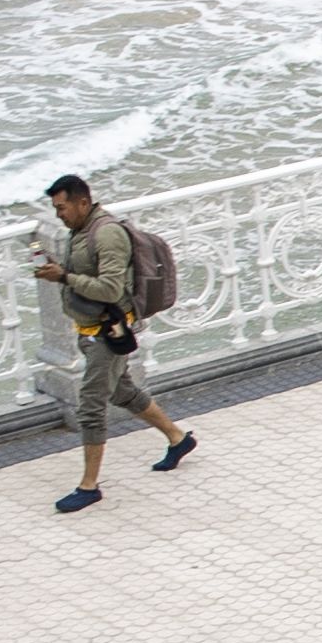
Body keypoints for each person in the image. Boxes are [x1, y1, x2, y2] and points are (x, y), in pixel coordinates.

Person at [27, 171, 197, 512]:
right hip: (91, 332)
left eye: (62, 208)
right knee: (123, 392)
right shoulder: (79, 232)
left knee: (91, 407)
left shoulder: (106, 235)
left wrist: (65, 276)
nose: (59, 215)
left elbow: (111, 289)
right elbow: (89, 277)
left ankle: (89, 487)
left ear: (83, 202)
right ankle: (178, 440)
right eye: (56, 209)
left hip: (109, 333)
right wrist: (62, 270)